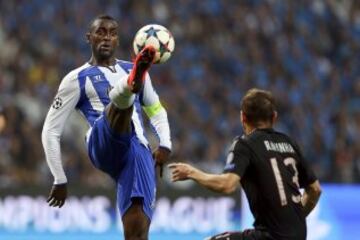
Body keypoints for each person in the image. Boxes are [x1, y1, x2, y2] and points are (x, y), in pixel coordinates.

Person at [42, 15, 172, 240]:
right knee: (121, 108)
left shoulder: (129, 66)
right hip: (103, 141)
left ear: (118, 40)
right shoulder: (75, 79)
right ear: (88, 37)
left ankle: (129, 87)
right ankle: (128, 87)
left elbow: (156, 110)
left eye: (112, 33)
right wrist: (59, 177)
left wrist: (165, 144)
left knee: (137, 234)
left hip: (136, 151)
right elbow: (50, 130)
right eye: (100, 32)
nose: (106, 38)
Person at [169, 88, 321, 240]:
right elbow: (315, 190)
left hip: (268, 236)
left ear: (243, 117)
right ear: (274, 117)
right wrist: (295, 220)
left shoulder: (245, 144)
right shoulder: (290, 143)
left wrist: (191, 173)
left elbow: (227, 185)